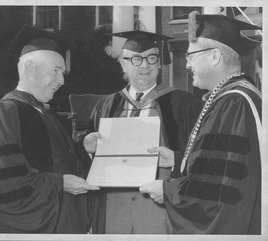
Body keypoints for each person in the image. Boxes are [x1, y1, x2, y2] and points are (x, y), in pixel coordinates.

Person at [140, 11, 262, 234]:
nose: (187, 65)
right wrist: (178, 160)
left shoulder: (233, 102)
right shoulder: (234, 96)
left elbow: (220, 188)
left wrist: (168, 191)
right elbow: (222, 164)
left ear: (215, 56)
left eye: (191, 56)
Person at [0, 25, 100, 233]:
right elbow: (2, 185)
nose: (61, 80)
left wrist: (82, 146)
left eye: (63, 72)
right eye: (56, 71)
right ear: (30, 68)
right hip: (37, 228)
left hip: (65, 223)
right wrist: (60, 183)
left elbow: (53, 161)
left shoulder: (43, 111)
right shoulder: (4, 112)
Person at [85, 30, 203, 234]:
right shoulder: (105, 105)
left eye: (151, 58)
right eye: (136, 59)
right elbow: (88, 166)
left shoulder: (184, 103)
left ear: (159, 63)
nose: (145, 65)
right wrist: (87, 148)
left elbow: (202, 157)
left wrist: (176, 158)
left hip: (161, 209)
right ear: (123, 63)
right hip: (114, 208)